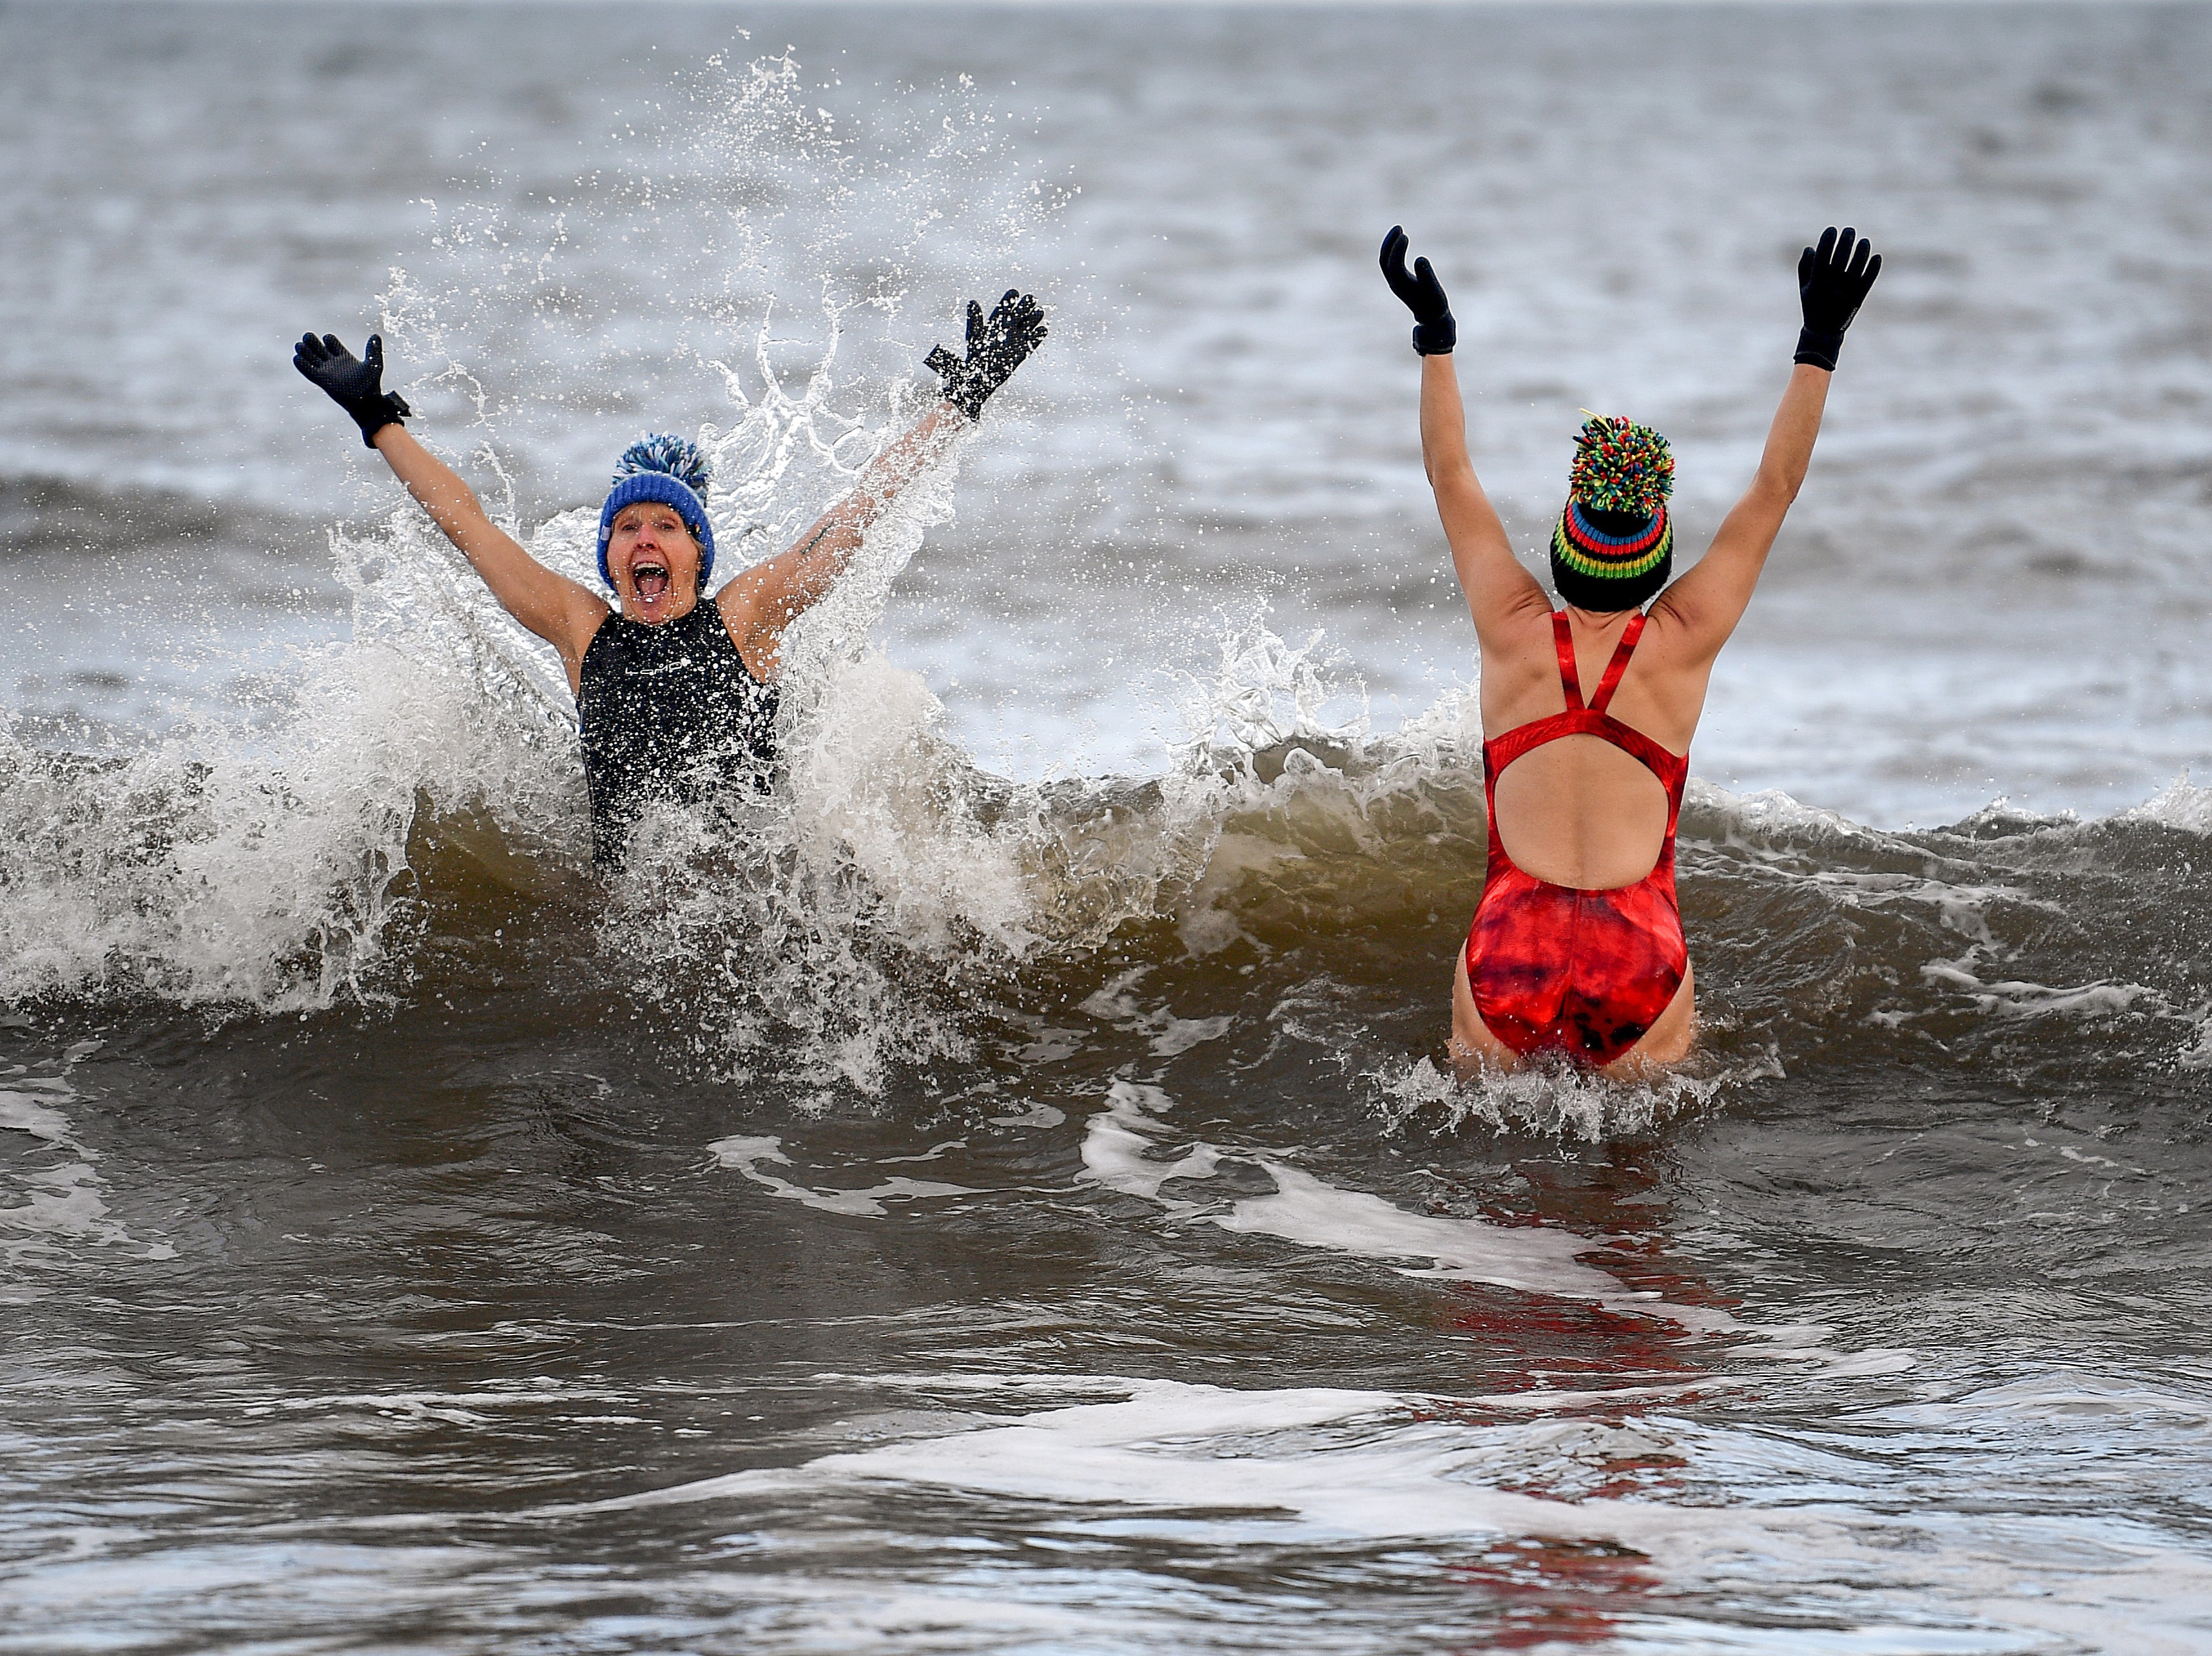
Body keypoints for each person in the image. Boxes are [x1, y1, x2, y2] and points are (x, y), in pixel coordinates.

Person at [292, 291, 1047, 863]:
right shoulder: (581, 629)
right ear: (611, 559)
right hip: (630, 915)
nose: (645, 538)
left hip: (750, 898)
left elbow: (855, 518)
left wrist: (960, 402)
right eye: (627, 528)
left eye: (665, 526)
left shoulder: (744, 617)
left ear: (696, 554)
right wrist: (378, 420)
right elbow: (468, 525)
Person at [1380, 225, 1881, 1074]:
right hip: (1638, 959)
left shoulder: (1510, 624)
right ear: (1658, 561)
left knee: (1484, 1151)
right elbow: (1776, 488)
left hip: (1511, 949)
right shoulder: (1682, 640)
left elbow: (1450, 472)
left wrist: (1436, 336)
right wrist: (1819, 343)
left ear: (1560, 548)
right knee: (1644, 1155)